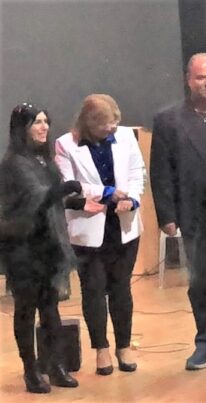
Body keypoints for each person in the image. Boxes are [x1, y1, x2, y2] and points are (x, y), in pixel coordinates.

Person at [150, 52, 206, 370]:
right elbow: (160, 170)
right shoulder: (168, 119)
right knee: (200, 281)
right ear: (188, 80)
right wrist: (166, 215)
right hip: (193, 214)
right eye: (201, 77)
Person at [55, 94, 145, 376]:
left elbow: (137, 172)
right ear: (89, 123)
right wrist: (105, 192)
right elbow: (70, 185)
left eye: (114, 121)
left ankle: (124, 346)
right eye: (105, 124)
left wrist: (132, 198)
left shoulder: (126, 137)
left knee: (121, 288)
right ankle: (101, 348)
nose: (111, 128)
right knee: (93, 289)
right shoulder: (65, 144)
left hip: (123, 224)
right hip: (88, 227)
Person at [0, 103, 80, 393]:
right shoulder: (14, 163)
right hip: (22, 247)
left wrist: (79, 201)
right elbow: (37, 198)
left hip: (47, 245)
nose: (44, 127)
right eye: (37, 122)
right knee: (26, 310)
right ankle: (30, 370)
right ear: (22, 128)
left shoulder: (44, 160)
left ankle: (55, 365)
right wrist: (66, 189)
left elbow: (52, 200)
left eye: (46, 121)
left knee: (50, 308)